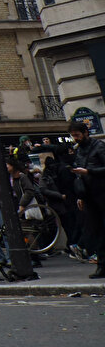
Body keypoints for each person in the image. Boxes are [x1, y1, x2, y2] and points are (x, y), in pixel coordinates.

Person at [69, 119, 105, 278]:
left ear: (85, 133)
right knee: (96, 231)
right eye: (72, 136)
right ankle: (102, 265)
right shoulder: (79, 151)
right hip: (89, 195)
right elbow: (79, 176)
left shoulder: (99, 147)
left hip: (102, 193)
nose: (75, 138)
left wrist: (89, 171)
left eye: (77, 135)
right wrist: (80, 196)